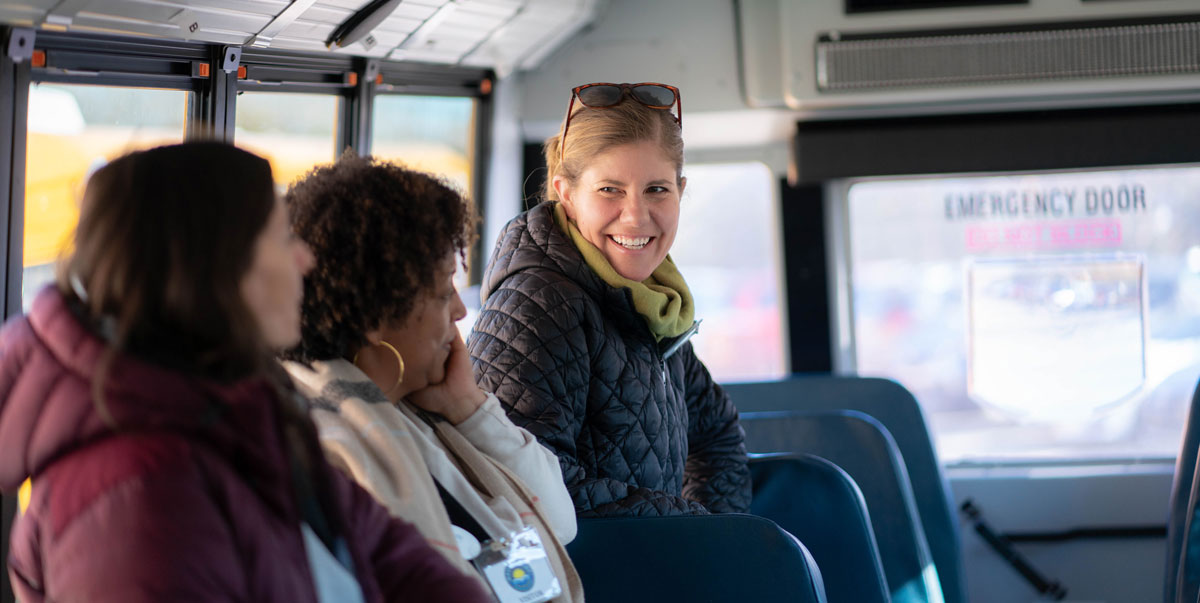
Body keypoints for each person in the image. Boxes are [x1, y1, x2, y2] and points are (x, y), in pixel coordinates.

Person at [0, 142, 489, 603]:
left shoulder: (245, 411)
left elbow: (390, 556)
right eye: (280, 239)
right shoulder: (137, 497)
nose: (305, 259)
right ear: (213, 270)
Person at [281, 156, 583, 602]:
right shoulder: (330, 448)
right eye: (444, 292)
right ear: (377, 314)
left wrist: (469, 409)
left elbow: (559, 521)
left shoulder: (418, 413)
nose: (460, 313)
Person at [469, 83, 752, 517]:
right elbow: (527, 484)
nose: (636, 216)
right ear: (566, 193)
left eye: (657, 189)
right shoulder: (538, 303)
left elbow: (717, 437)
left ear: (681, 189)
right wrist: (685, 531)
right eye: (609, 190)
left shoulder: (653, 302)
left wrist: (711, 544)